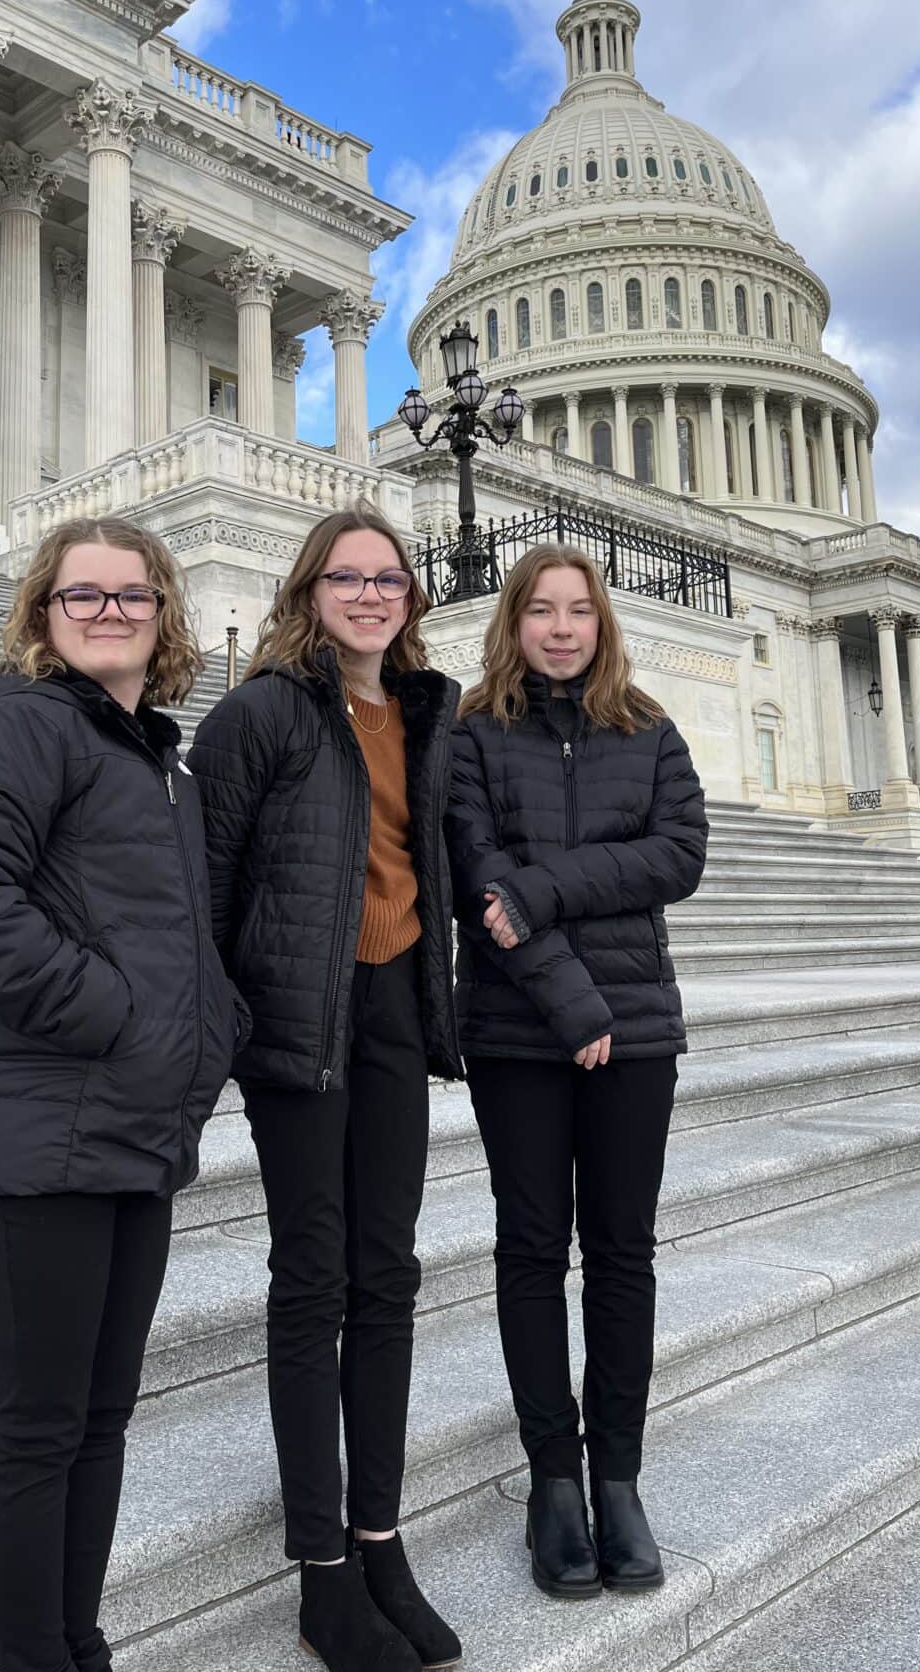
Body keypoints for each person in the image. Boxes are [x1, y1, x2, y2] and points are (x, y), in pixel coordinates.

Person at [0, 516, 244, 1672]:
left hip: (137, 1128)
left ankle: (77, 1645)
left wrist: (205, 1040)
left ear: (165, 613)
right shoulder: (16, 717)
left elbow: (180, 935)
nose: (110, 613)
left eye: (132, 596)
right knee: (44, 1425)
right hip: (46, 1126)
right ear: (44, 614)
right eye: (83, 595)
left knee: (102, 1419)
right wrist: (120, 1018)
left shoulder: (156, 753)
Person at [188, 503, 463, 1672]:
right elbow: (203, 883)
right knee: (313, 1281)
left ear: (408, 598)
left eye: (387, 579)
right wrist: (228, 1023)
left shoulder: (425, 711)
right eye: (347, 578)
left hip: (399, 1002)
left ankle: (380, 1537)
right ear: (310, 592)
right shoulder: (258, 713)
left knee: (387, 1275)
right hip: (300, 1021)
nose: (368, 595)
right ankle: (322, 1573)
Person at [445, 544, 708, 1601]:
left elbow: (679, 855)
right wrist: (572, 1001)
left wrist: (549, 891)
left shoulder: (648, 729)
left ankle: (620, 1476)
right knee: (528, 1250)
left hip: (635, 1031)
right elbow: (479, 882)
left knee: (622, 1254)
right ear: (511, 624)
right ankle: (554, 1478)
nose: (560, 628)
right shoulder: (471, 738)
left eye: (579, 612)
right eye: (540, 611)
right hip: (521, 1028)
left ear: (603, 625)